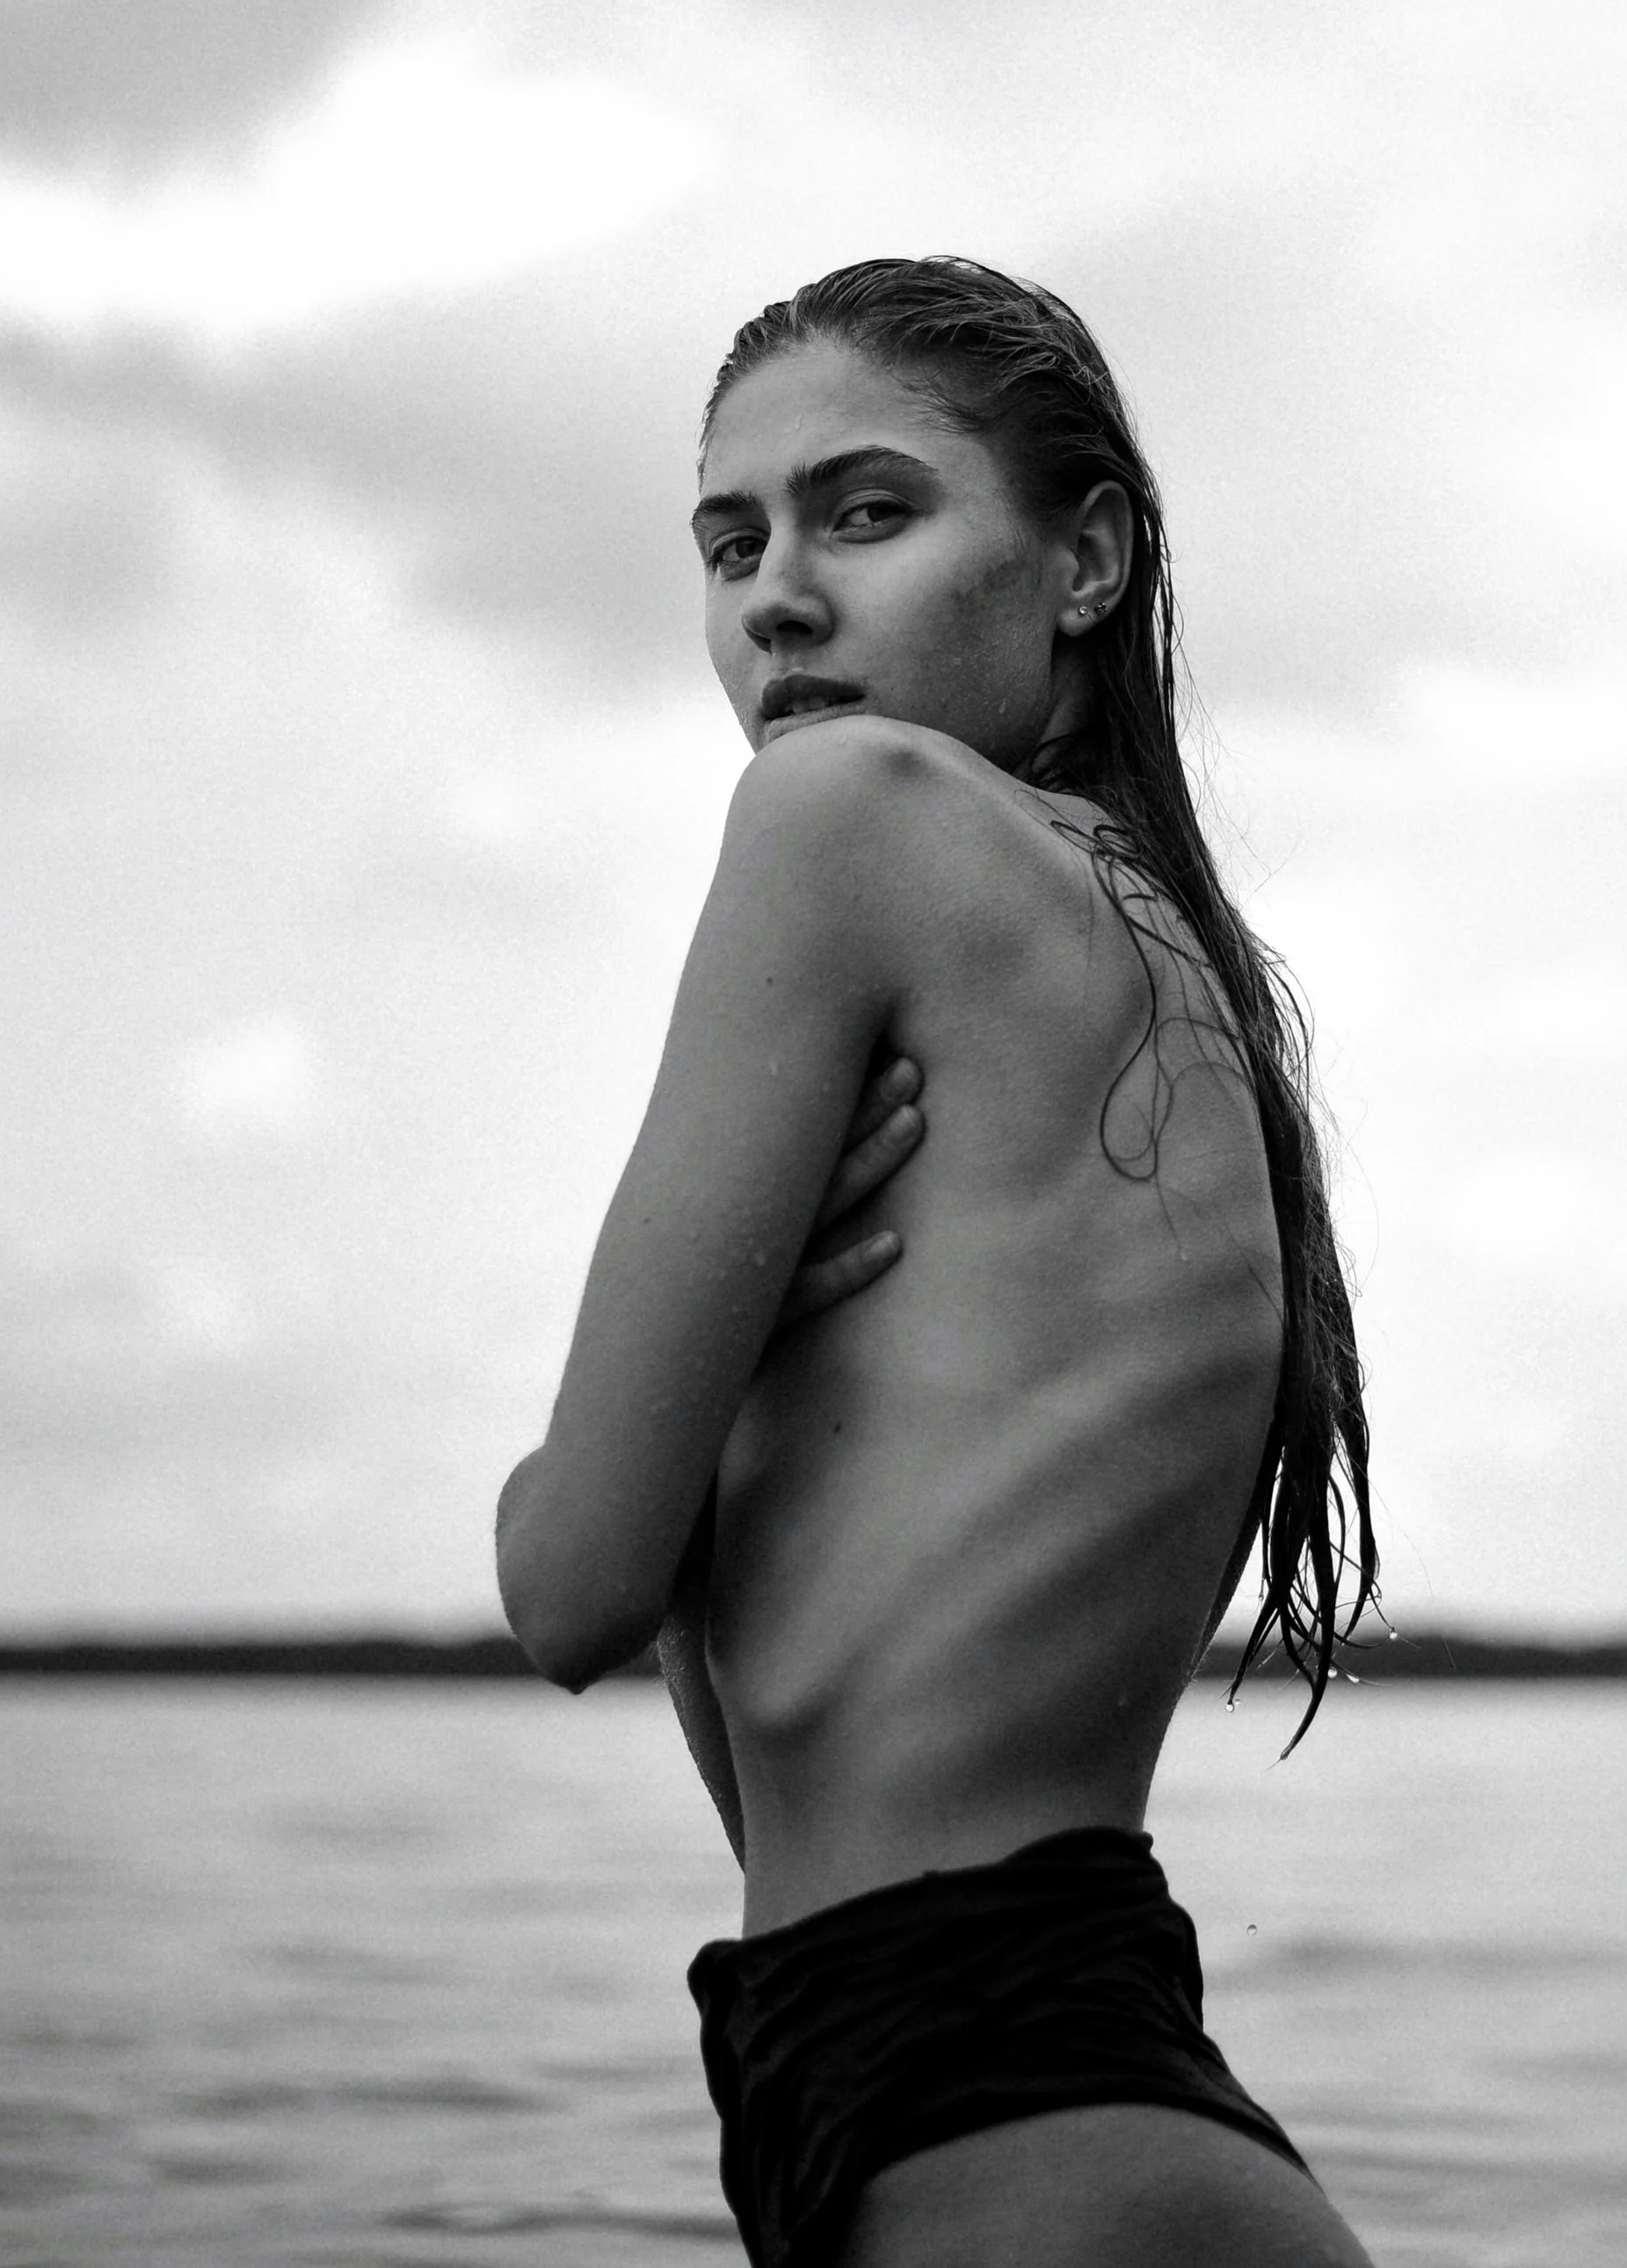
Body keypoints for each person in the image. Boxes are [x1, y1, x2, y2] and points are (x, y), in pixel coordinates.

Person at [497, 258, 1377, 2268]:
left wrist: (658, 1408)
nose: (775, 596)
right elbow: (799, 1712)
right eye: (732, 541)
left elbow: (568, 1585)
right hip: (1059, 2096)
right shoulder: (1162, 968)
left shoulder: (845, 810)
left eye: (866, 510)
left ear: (1083, 559)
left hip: (999, 2116)